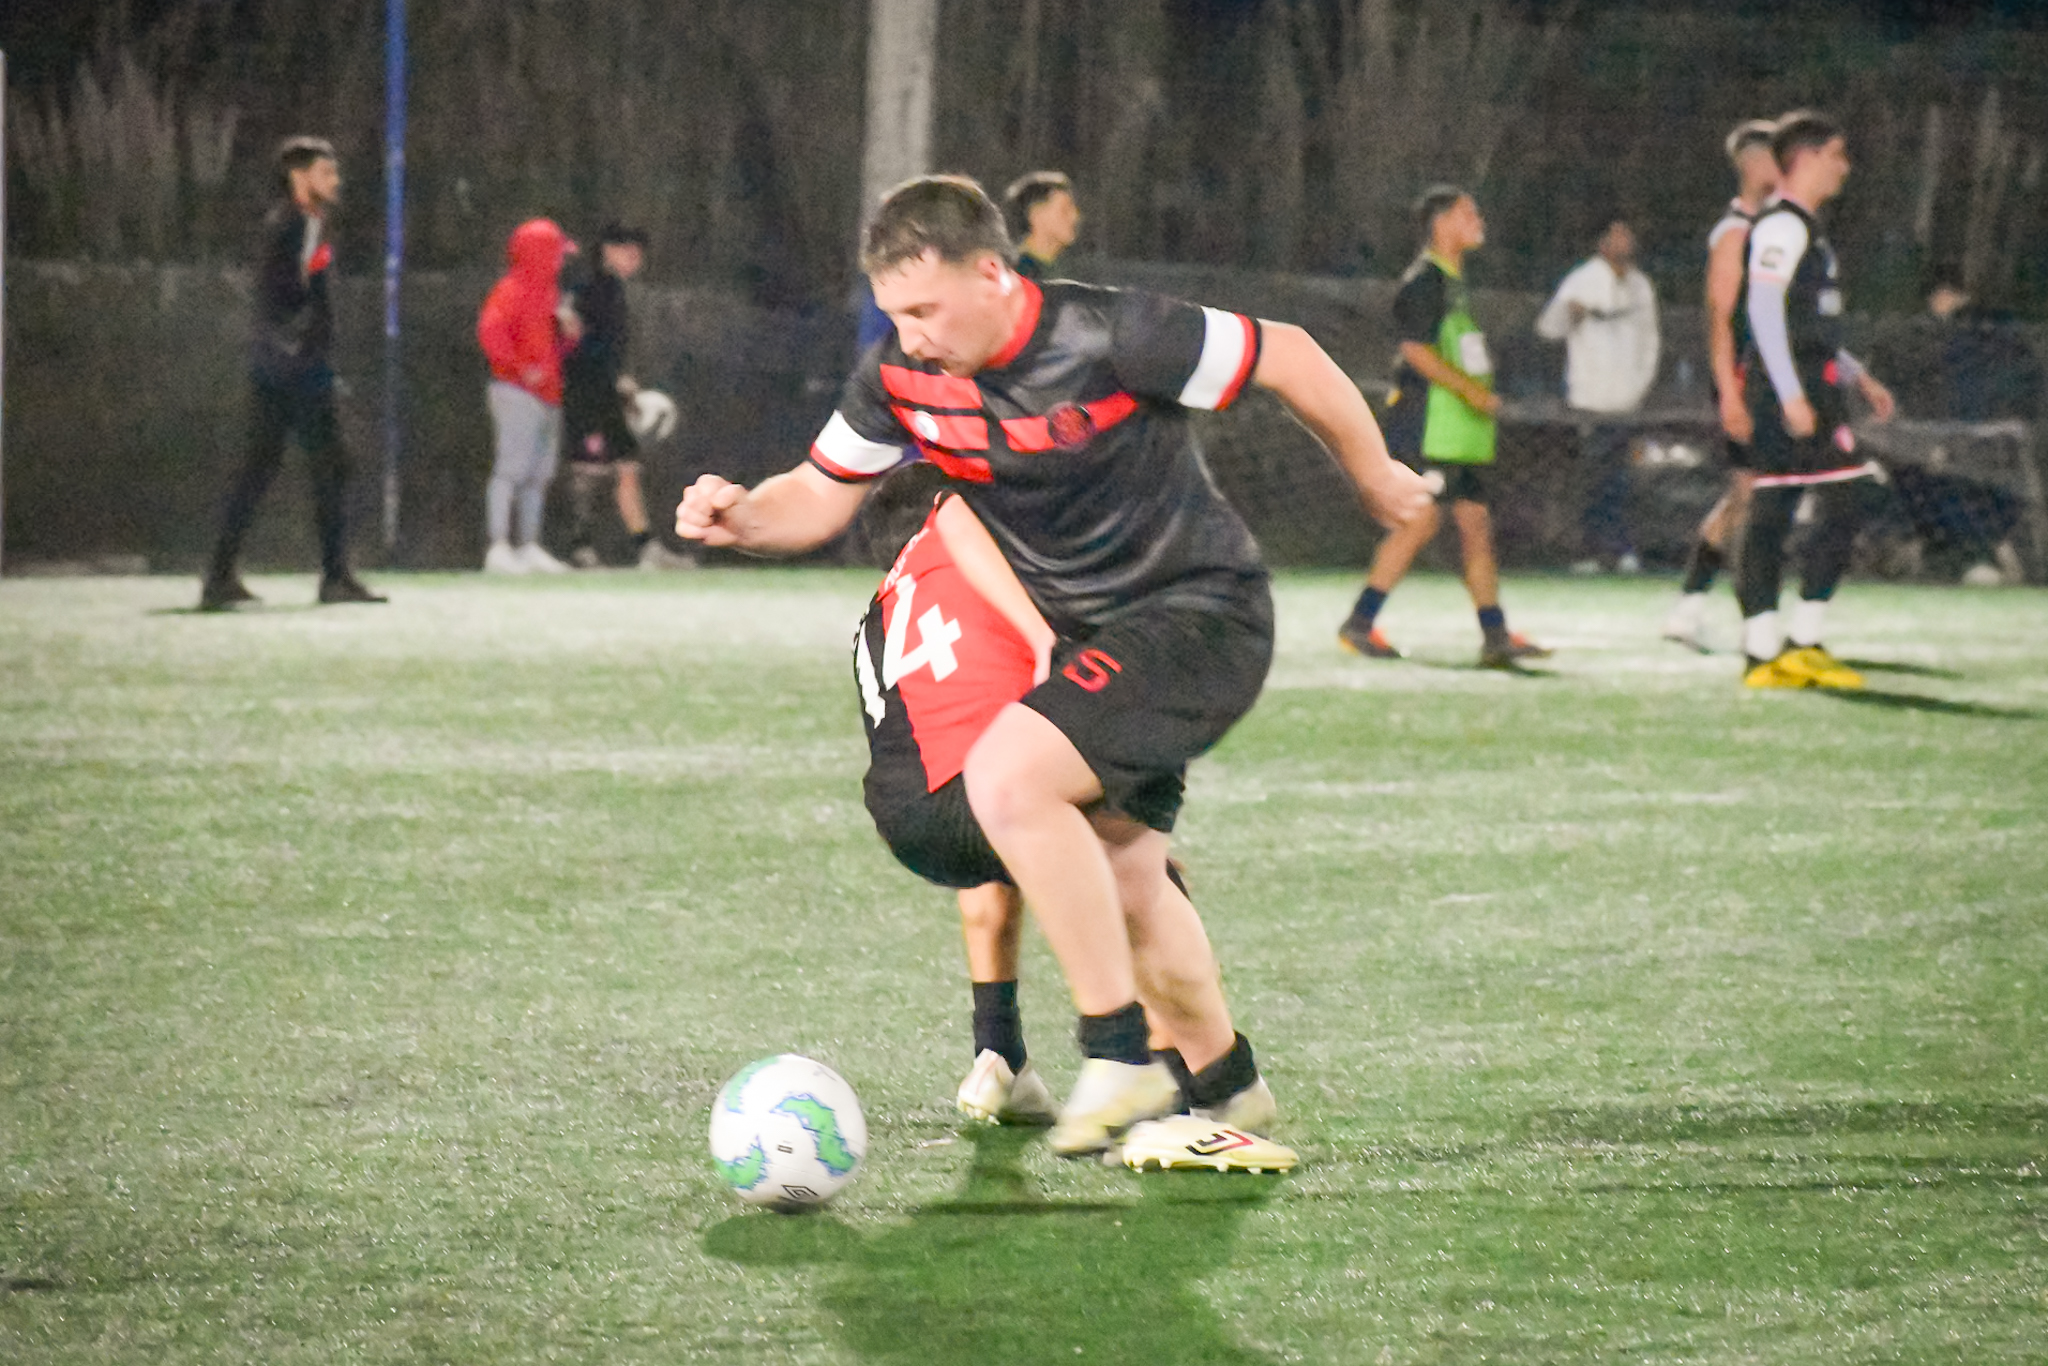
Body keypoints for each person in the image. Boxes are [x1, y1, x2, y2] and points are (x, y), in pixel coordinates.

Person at [677, 174, 1430, 1155]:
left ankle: (1118, 1055)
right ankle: (1226, 1088)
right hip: (1095, 652)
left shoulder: (1114, 336)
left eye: (924, 310)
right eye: (893, 314)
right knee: (1125, 875)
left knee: (1004, 776)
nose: (908, 336)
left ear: (992, 274)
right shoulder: (901, 381)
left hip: (1198, 611)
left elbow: (1286, 352)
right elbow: (817, 493)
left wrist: (1374, 472)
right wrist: (743, 516)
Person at [855, 493, 1289, 1169]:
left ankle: (1009, 1057)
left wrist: (995, 1039)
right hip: (988, 779)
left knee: (1050, 836)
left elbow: (983, 830)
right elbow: (961, 506)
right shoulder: (990, 519)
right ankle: (1202, 1092)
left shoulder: (890, 602)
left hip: (912, 818)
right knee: (1137, 877)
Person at [1335, 186, 1548, 667]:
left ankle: (1495, 636)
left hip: (1461, 434)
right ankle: (1360, 623)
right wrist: (1471, 391)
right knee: (1421, 519)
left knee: (1475, 525)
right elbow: (1415, 351)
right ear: (1441, 222)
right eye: (1468, 213)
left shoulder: (1454, 285)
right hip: (1428, 428)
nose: (1479, 221)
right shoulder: (1424, 282)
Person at [1736, 112, 1897, 690]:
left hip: (1817, 386)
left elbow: (1807, 322)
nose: (1844, 167)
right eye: (1836, 154)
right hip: (1789, 392)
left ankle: (1801, 642)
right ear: (1806, 157)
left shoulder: (1807, 228)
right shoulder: (1781, 226)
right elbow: (1763, 311)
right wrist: (1788, 393)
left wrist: (1858, 376)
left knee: (1839, 500)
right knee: (1777, 509)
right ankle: (1763, 653)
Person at [199, 136, 385, 611]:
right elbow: (281, 295)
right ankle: (335, 577)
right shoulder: (294, 224)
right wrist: (304, 350)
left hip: (280, 365)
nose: (335, 180)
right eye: (326, 172)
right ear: (298, 177)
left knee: (261, 467)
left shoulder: (301, 222)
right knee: (331, 465)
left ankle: (220, 576)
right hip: (295, 368)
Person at [1665, 118, 1779, 649]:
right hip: (1744, 381)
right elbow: (1720, 318)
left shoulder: (1774, 230)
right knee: (1753, 495)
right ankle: (1749, 615)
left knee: (1748, 495)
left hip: (1767, 382)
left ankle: (1691, 608)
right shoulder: (1735, 233)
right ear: (1752, 165)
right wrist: (1731, 394)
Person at [559, 223, 695, 570]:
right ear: (607, 250)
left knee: (627, 466)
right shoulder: (586, 289)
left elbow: (607, 347)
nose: (635, 261)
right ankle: (580, 548)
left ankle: (646, 547)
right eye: (628, 253)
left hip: (609, 394)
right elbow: (577, 345)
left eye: (639, 255)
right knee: (587, 468)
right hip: (585, 394)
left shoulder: (614, 291)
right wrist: (605, 378)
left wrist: (619, 381)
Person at [1535, 217, 1661, 575]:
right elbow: (1548, 328)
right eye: (1617, 235)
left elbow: (1650, 340)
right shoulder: (1582, 279)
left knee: (1622, 478)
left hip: (1628, 400)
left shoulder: (1640, 286)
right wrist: (1570, 313)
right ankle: (1589, 551)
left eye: (1628, 234)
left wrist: (1641, 386)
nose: (1625, 241)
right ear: (1602, 242)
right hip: (1590, 398)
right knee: (1593, 476)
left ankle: (1622, 549)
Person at [478, 218, 579, 575]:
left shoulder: (549, 293)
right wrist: (521, 368)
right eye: (555, 253)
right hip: (516, 391)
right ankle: (498, 547)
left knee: (538, 474)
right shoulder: (510, 290)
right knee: (510, 469)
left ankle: (528, 545)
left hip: (548, 393)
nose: (560, 261)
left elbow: (553, 348)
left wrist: (568, 335)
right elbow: (490, 333)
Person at [1003, 171, 1081, 280]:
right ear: (1036, 215)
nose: (1075, 217)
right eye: (1065, 210)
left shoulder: (1068, 269)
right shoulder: (1018, 273)